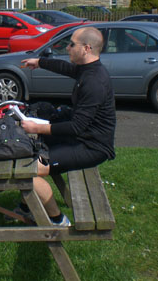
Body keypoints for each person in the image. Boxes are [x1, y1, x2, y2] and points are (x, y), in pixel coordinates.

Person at [18, 26, 116, 226]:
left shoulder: (94, 82)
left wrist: (36, 128)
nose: (68, 48)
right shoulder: (88, 69)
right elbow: (66, 68)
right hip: (81, 138)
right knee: (29, 148)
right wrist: (39, 62)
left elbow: (76, 127)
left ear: (86, 48)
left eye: (72, 44)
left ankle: (56, 220)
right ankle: (27, 206)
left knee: (26, 169)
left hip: (92, 147)